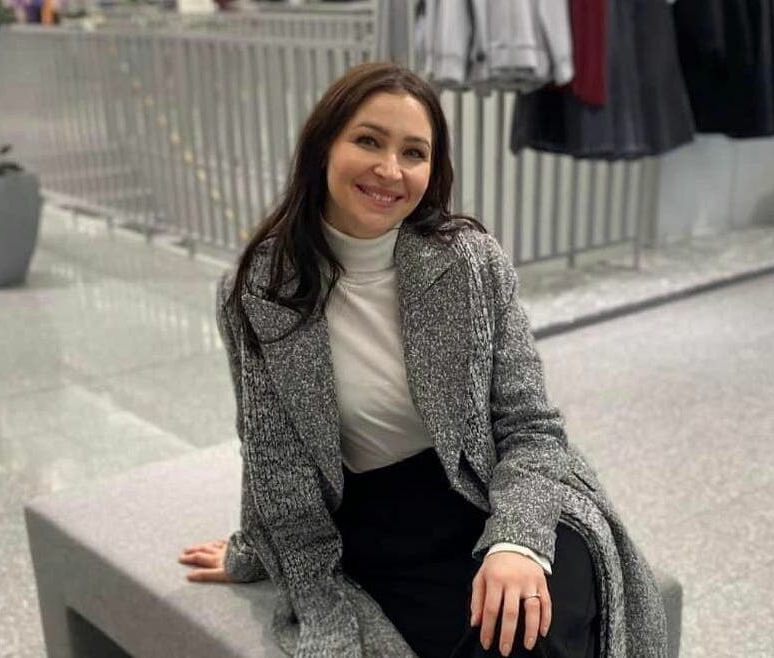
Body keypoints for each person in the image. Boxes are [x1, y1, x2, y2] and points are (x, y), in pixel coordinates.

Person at [178, 62, 667, 658]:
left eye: (413, 152)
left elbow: (531, 426)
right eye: (368, 141)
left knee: (530, 633)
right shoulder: (260, 287)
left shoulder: (470, 261)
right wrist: (258, 548)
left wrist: (517, 541)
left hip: (500, 490)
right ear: (323, 146)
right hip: (382, 529)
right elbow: (271, 450)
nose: (390, 170)